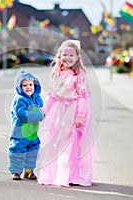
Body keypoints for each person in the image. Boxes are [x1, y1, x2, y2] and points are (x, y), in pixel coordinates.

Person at [36, 40, 96, 187]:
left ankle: (69, 175)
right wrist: (44, 111)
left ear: (77, 58)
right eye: (65, 55)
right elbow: (51, 95)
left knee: (70, 144)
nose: (67, 58)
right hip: (57, 113)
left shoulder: (79, 76)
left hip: (72, 112)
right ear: (59, 56)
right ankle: (52, 175)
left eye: (71, 55)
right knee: (54, 142)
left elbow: (83, 97)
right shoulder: (57, 73)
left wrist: (80, 116)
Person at [9, 69, 45, 180]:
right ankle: (16, 170)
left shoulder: (37, 98)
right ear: (20, 87)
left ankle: (29, 170)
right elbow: (21, 114)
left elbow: (42, 108)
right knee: (18, 149)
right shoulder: (19, 99)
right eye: (24, 85)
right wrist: (39, 116)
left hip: (33, 131)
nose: (28, 87)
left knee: (33, 150)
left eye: (30, 84)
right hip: (20, 131)